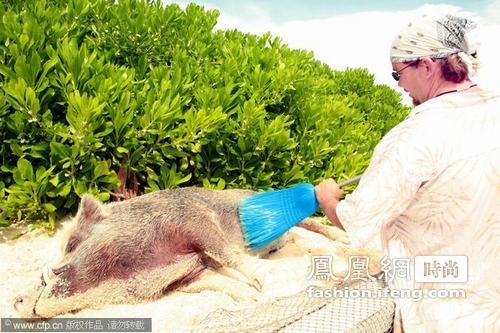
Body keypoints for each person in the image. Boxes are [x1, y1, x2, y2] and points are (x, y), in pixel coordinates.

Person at [315, 14, 499, 333]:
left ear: (426, 66)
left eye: (397, 73)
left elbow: (357, 220)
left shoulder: (412, 135)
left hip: (442, 313)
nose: (399, 85)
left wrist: (327, 199)